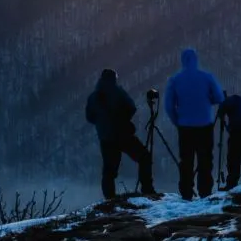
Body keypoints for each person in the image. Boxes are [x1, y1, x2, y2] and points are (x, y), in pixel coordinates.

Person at [163, 48, 224, 200]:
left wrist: (177, 121)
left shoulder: (175, 79)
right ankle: (205, 192)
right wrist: (207, 100)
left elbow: (169, 106)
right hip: (205, 125)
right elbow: (219, 97)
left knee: (186, 161)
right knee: (205, 160)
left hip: (185, 127)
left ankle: (186, 193)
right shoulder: (207, 77)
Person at [85, 69, 155, 199]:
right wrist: (123, 120)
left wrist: (102, 124)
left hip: (105, 137)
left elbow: (89, 117)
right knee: (144, 157)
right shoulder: (118, 92)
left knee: (109, 170)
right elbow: (132, 107)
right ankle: (147, 189)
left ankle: (109, 198)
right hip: (123, 135)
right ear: (114, 78)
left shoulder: (93, 97)